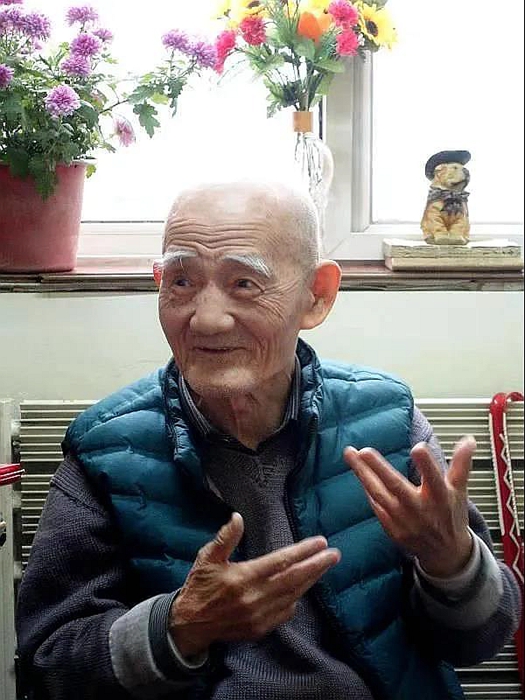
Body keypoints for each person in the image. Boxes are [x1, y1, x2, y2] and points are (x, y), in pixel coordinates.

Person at [16, 181, 521, 700]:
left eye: (244, 283)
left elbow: (479, 640)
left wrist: (452, 564)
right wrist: (178, 627)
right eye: (181, 281)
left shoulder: (388, 422)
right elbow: (46, 665)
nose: (207, 319)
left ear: (316, 296)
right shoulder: (105, 449)